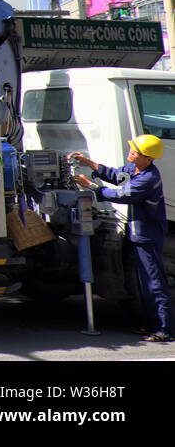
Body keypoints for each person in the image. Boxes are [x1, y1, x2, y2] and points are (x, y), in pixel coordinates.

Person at [71, 135, 171, 342]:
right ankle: (150, 323)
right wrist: (87, 162)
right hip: (137, 234)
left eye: (135, 151)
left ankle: (164, 328)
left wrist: (90, 186)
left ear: (148, 158)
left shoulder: (148, 179)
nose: (131, 152)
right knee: (142, 281)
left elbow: (121, 195)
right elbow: (116, 175)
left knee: (153, 281)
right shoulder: (134, 169)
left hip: (147, 236)